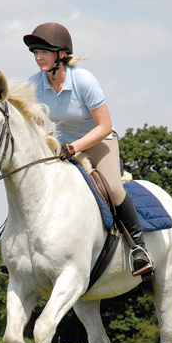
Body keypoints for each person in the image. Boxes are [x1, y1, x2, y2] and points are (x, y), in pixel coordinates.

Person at [23, 22, 154, 279]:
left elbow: (104, 126)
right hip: (58, 145)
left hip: (97, 141)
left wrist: (75, 147)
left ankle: (138, 248)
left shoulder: (83, 80)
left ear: (61, 54)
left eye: (44, 52)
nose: (38, 57)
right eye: (35, 52)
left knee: (114, 189)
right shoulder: (34, 85)